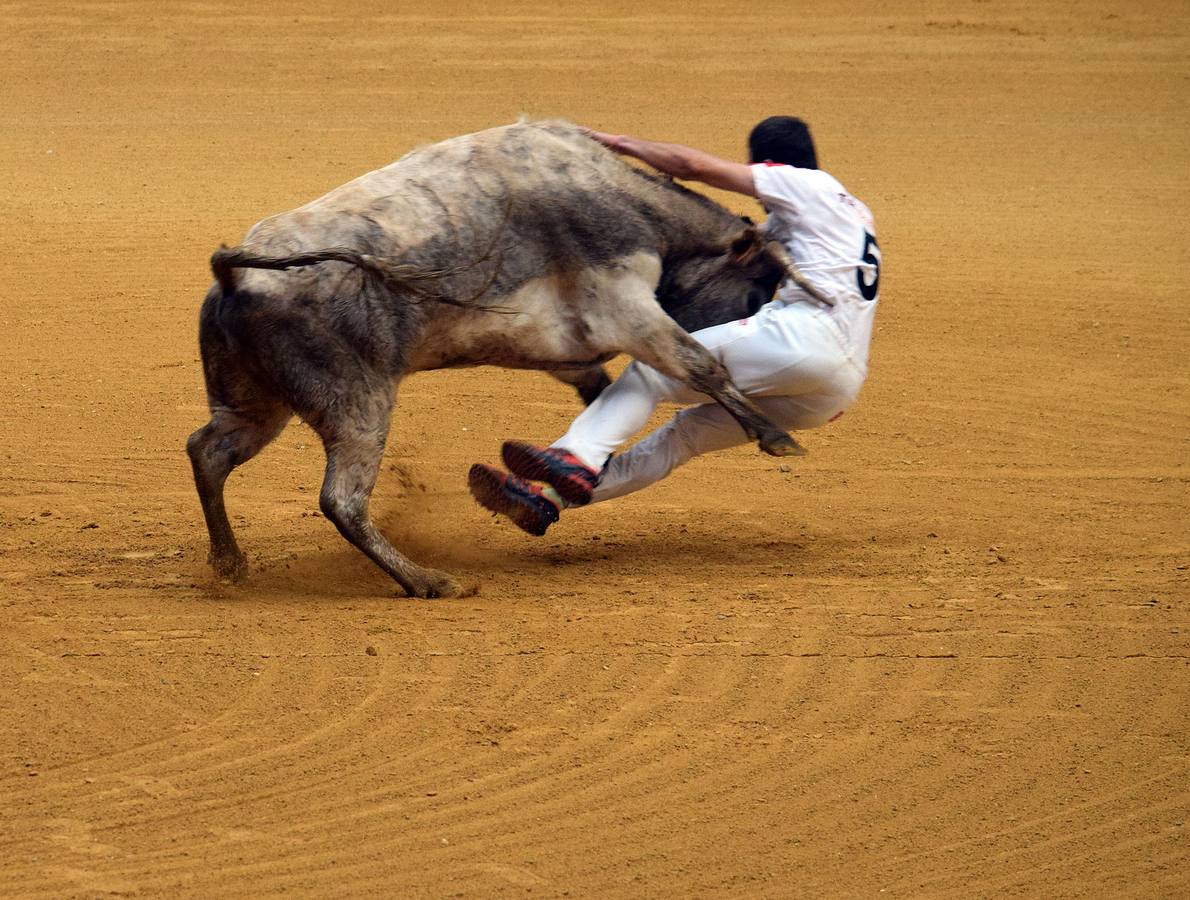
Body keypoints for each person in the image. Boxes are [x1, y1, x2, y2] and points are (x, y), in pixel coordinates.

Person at [468, 116, 881, 536]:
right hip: (834, 390)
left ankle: (578, 456)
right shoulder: (852, 211)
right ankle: (545, 500)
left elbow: (694, 166)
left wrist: (619, 142)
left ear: (768, 163)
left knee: (655, 368)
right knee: (681, 439)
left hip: (804, 341)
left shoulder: (802, 183)